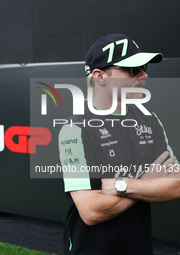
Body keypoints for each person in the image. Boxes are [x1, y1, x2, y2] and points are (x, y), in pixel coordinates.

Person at [58, 33, 180, 255]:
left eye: (144, 67)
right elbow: (91, 211)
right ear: (100, 75)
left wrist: (124, 185)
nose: (144, 75)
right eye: (133, 69)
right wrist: (148, 180)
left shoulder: (150, 120)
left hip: (140, 246)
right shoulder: (74, 129)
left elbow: (177, 185)